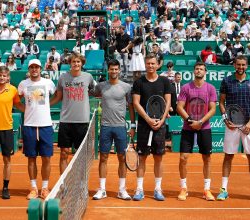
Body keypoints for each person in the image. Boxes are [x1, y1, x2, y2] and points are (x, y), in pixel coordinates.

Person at [217, 55, 250, 201]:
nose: (240, 67)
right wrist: (226, 120)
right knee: (228, 156)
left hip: (249, 125)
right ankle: (223, 189)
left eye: (243, 65)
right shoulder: (227, 81)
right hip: (232, 125)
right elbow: (221, 102)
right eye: (238, 64)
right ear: (234, 65)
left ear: (246, 66)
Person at [91, 59, 136, 200]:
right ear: (108, 70)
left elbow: (131, 107)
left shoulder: (126, 87)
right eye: (112, 69)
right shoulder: (101, 86)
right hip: (105, 126)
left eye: (116, 69)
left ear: (119, 70)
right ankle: (102, 189)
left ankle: (122, 190)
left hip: (120, 127)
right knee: (103, 157)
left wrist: (133, 125)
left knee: (122, 158)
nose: (114, 71)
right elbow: (91, 93)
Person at [132, 53, 171, 201]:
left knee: (158, 158)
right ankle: (139, 189)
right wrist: (148, 119)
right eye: (148, 63)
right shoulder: (139, 82)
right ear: (145, 64)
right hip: (144, 124)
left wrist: (161, 120)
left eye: (153, 63)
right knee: (142, 157)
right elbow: (136, 103)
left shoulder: (165, 81)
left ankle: (157, 189)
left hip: (160, 125)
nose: (150, 66)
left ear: (158, 64)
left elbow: (167, 102)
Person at [176, 62, 217, 201]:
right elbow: (179, 107)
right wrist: (190, 121)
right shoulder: (186, 88)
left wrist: (200, 122)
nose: (198, 70)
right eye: (196, 69)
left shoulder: (210, 88)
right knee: (183, 158)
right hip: (188, 127)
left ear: (205, 71)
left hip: (204, 127)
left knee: (207, 158)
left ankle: (206, 189)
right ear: (194, 71)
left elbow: (212, 109)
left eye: (201, 69)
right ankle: (183, 188)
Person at [50, 53, 95, 174]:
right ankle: (63, 184)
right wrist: (44, 106)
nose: (76, 64)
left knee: (81, 155)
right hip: (66, 121)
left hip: (82, 121)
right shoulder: (63, 78)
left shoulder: (88, 77)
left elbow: (95, 92)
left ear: (82, 63)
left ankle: (81, 182)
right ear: (70, 63)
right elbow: (58, 97)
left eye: (78, 62)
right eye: (73, 61)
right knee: (64, 153)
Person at [0, 66, 25, 200]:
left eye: (4, 76)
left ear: (8, 78)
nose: (2, 77)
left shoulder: (13, 90)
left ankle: (5, 188)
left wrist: (32, 110)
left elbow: (18, 105)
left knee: (7, 159)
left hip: (7, 129)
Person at [18, 59, 56, 200]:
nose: (34, 69)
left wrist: (47, 105)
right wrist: (25, 109)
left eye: (37, 67)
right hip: (29, 126)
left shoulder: (48, 83)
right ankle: (34, 188)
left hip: (46, 125)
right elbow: (16, 101)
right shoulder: (23, 84)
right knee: (31, 158)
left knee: (46, 158)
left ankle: (45, 188)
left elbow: (58, 96)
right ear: (29, 69)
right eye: (32, 67)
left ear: (40, 68)